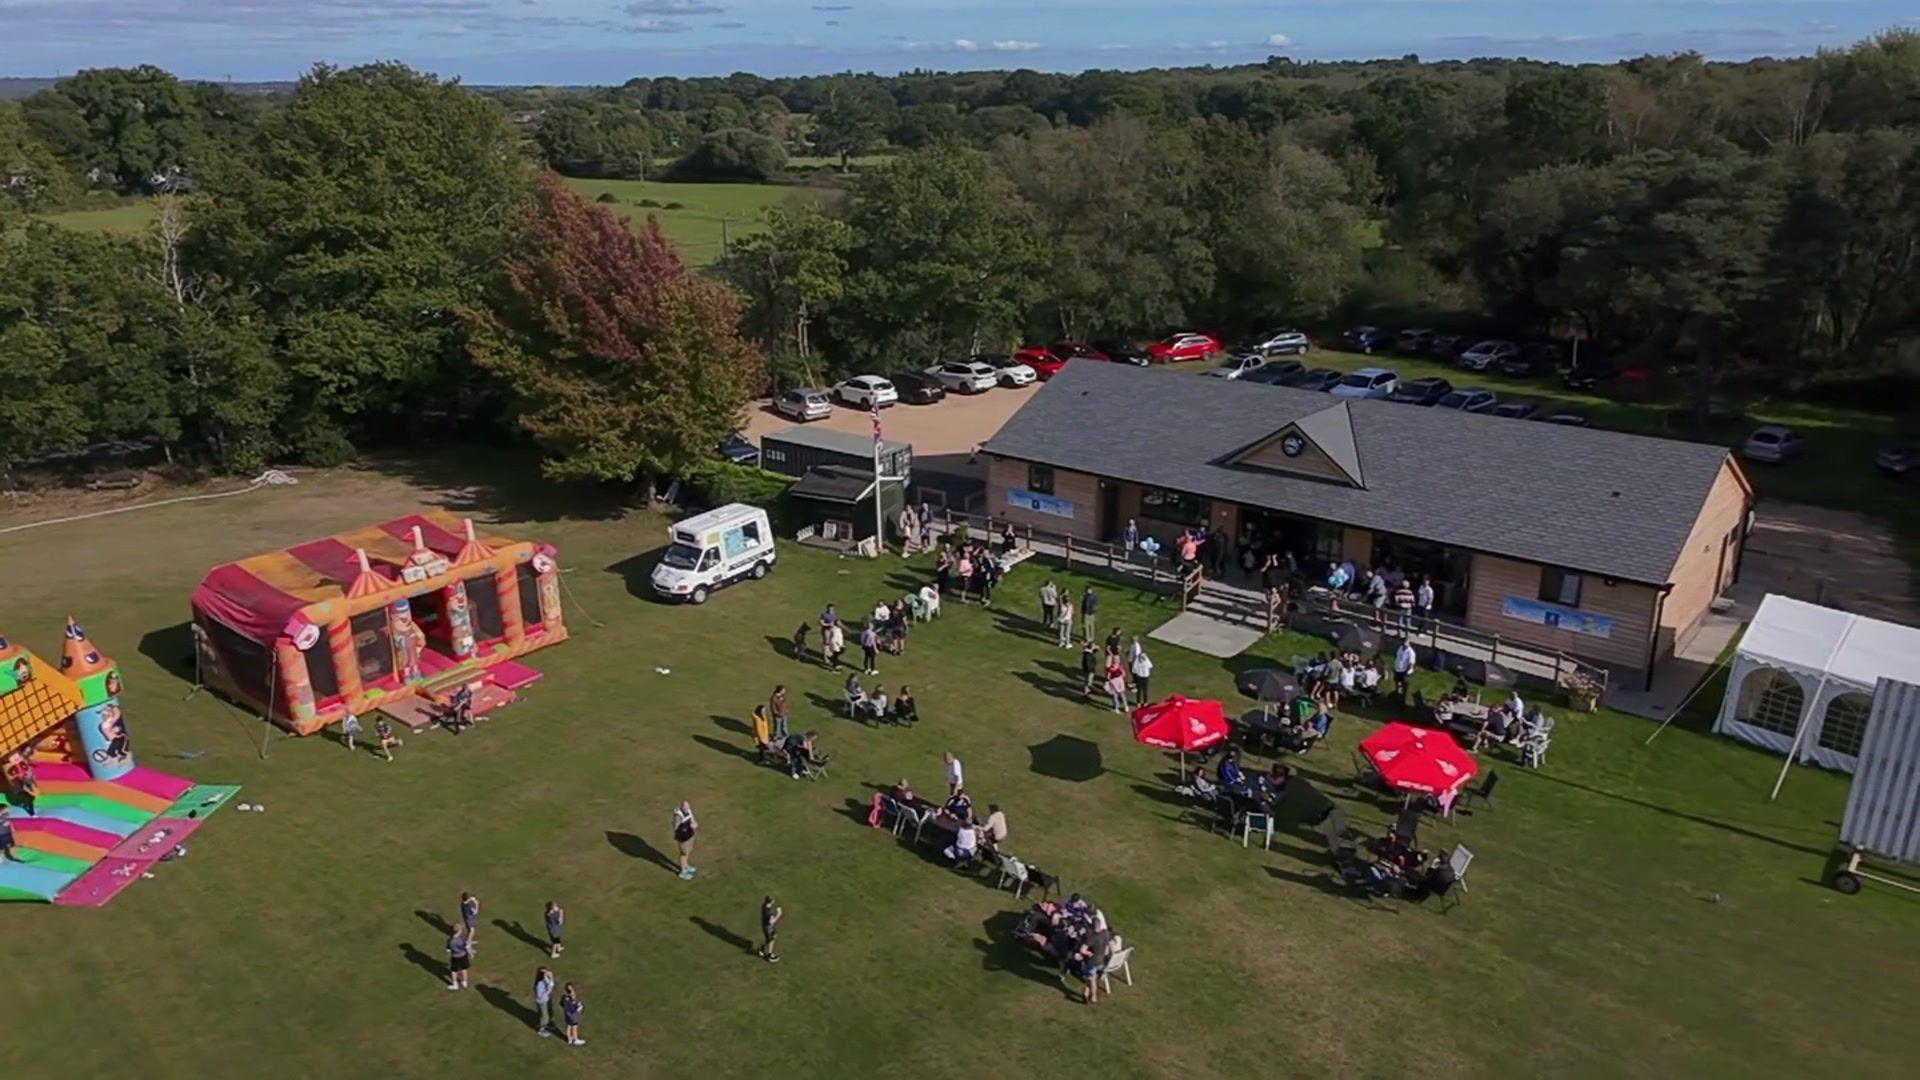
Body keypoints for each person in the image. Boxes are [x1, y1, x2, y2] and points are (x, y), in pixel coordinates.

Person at [673, 800, 699, 880]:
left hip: (689, 835)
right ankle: (683, 871)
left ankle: (686, 866)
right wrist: (687, 828)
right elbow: (676, 827)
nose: (688, 808)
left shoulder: (688, 811)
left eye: (688, 806)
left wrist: (694, 823)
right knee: (683, 853)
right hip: (683, 837)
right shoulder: (678, 816)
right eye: (686, 807)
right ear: (682, 807)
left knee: (688, 851)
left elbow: (692, 819)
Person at [445, 926, 473, 991]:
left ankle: (455, 984)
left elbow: (448, 950)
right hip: (463, 956)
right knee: (464, 969)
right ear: (459, 931)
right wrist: (471, 954)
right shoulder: (462, 939)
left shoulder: (450, 940)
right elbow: (467, 947)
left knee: (454, 970)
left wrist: (451, 954)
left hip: (454, 957)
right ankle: (465, 982)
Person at [533, 966, 557, 1036]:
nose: (546, 973)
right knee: (544, 1016)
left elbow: (551, 984)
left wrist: (551, 977)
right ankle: (541, 1029)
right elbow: (539, 995)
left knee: (549, 1013)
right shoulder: (539, 984)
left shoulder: (545, 979)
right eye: (544, 972)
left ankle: (546, 1025)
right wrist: (548, 991)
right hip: (542, 1001)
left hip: (547, 999)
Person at [560, 982, 585, 1047]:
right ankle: (575, 1039)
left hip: (566, 1014)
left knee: (569, 1026)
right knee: (574, 1026)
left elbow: (561, 1004)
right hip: (572, 1015)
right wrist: (579, 1008)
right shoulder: (572, 997)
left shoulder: (564, 997)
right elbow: (574, 1006)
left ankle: (569, 1039)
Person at [761, 895, 783, 963]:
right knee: (771, 939)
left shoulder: (764, 906)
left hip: (766, 926)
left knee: (774, 936)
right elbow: (772, 922)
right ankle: (770, 956)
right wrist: (779, 914)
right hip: (768, 927)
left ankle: (762, 948)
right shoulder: (769, 912)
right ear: (771, 901)